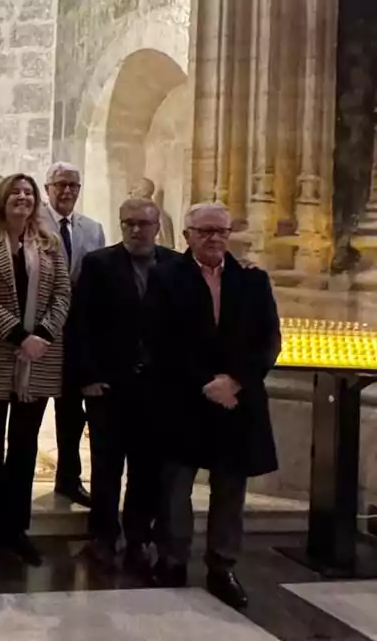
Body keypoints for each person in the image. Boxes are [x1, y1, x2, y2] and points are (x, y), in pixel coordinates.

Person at [147, 203, 280, 609]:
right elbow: (158, 339)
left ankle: (222, 566)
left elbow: (268, 341)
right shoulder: (165, 277)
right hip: (185, 399)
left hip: (236, 401)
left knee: (229, 490)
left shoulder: (252, 281)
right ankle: (172, 559)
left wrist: (234, 380)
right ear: (187, 235)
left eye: (222, 230)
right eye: (205, 231)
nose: (215, 238)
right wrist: (205, 383)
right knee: (175, 489)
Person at [66, 198, 178, 575]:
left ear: (157, 225)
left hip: (156, 388)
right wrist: (87, 377)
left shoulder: (176, 265)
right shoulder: (99, 264)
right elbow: (81, 324)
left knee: (147, 468)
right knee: (106, 465)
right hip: (109, 385)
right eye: (128, 222)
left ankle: (138, 536)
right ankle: (102, 535)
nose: (136, 229)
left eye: (143, 223)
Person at [0, 173, 70, 566]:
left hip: (40, 356)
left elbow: (63, 291)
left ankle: (16, 528)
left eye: (28, 193)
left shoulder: (49, 242)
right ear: (2, 199)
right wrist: (16, 335)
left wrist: (42, 333)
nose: (22, 198)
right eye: (16, 193)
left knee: (25, 447)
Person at [39, 161, 105, 508]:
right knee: (30, 412)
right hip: (40, 330)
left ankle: (69, 477)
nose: (67, 191)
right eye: (61, 184)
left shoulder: (92, 229)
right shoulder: (33, 222)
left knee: (71, 412)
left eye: (73, 186)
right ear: (47, 188)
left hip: (77, 332)